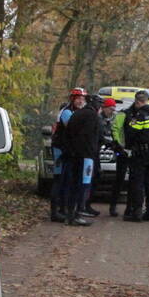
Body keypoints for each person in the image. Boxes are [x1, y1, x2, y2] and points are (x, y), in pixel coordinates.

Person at [122, 90, 149, 222]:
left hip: (141, 154)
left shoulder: (141, 115)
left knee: (138, 184)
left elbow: (131, 133)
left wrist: (130, 147)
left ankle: (137, 213)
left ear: (138, 102)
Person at [62, 88, 98, 226]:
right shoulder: (89, 115)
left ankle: (71, 214)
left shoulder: (76, 114)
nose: (80, 100)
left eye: (82, 98)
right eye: (78, 98)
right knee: (82, 185)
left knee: (74, 185)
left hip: (74, 155)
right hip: (85, 156)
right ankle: (76, 214)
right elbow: (90, 136)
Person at [108, 99, 129, 217]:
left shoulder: (143, 115)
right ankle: (113, 205)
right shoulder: (123, 114)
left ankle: (132, 206)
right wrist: (119, 144)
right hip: (123, 151)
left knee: (135, 181)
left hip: (135, 152)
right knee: (119, 179)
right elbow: (115, 129)